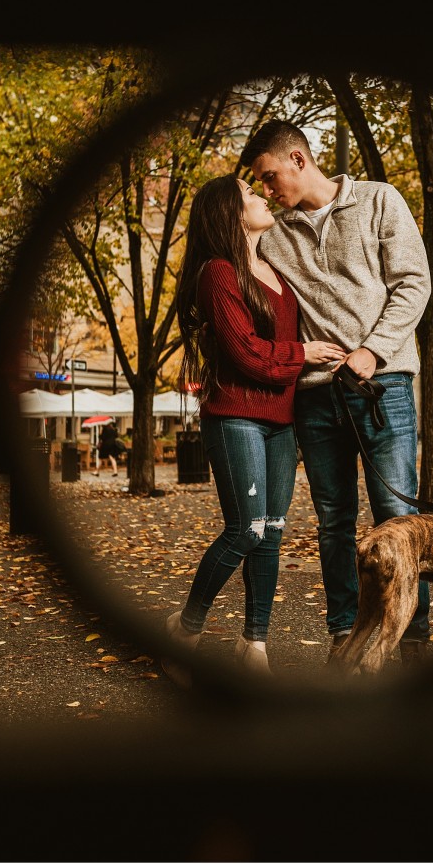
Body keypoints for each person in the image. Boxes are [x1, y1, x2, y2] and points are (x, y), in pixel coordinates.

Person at [241, 120, 433, 665]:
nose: (267, 189)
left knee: (398, 516)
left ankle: (412, 642)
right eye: (260, 182)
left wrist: (373, 350)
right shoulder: (272, 234)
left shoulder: (378, 201)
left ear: (299, 160)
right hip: (316, 397)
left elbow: (413, 282)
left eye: (270, 176)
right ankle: (344, 637)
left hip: (383, 384)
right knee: (334, 521)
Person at [165, 173, 344, 686]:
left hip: (280, 423)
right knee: (245, 528)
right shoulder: (219, 274)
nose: (263, 196)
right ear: (228, 212)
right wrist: (302, 354)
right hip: (235, 416)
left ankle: (254, 644)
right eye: (250, 193)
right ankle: (186, 630)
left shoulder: (275, 272)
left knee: (271, 533)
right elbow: (246, 355)